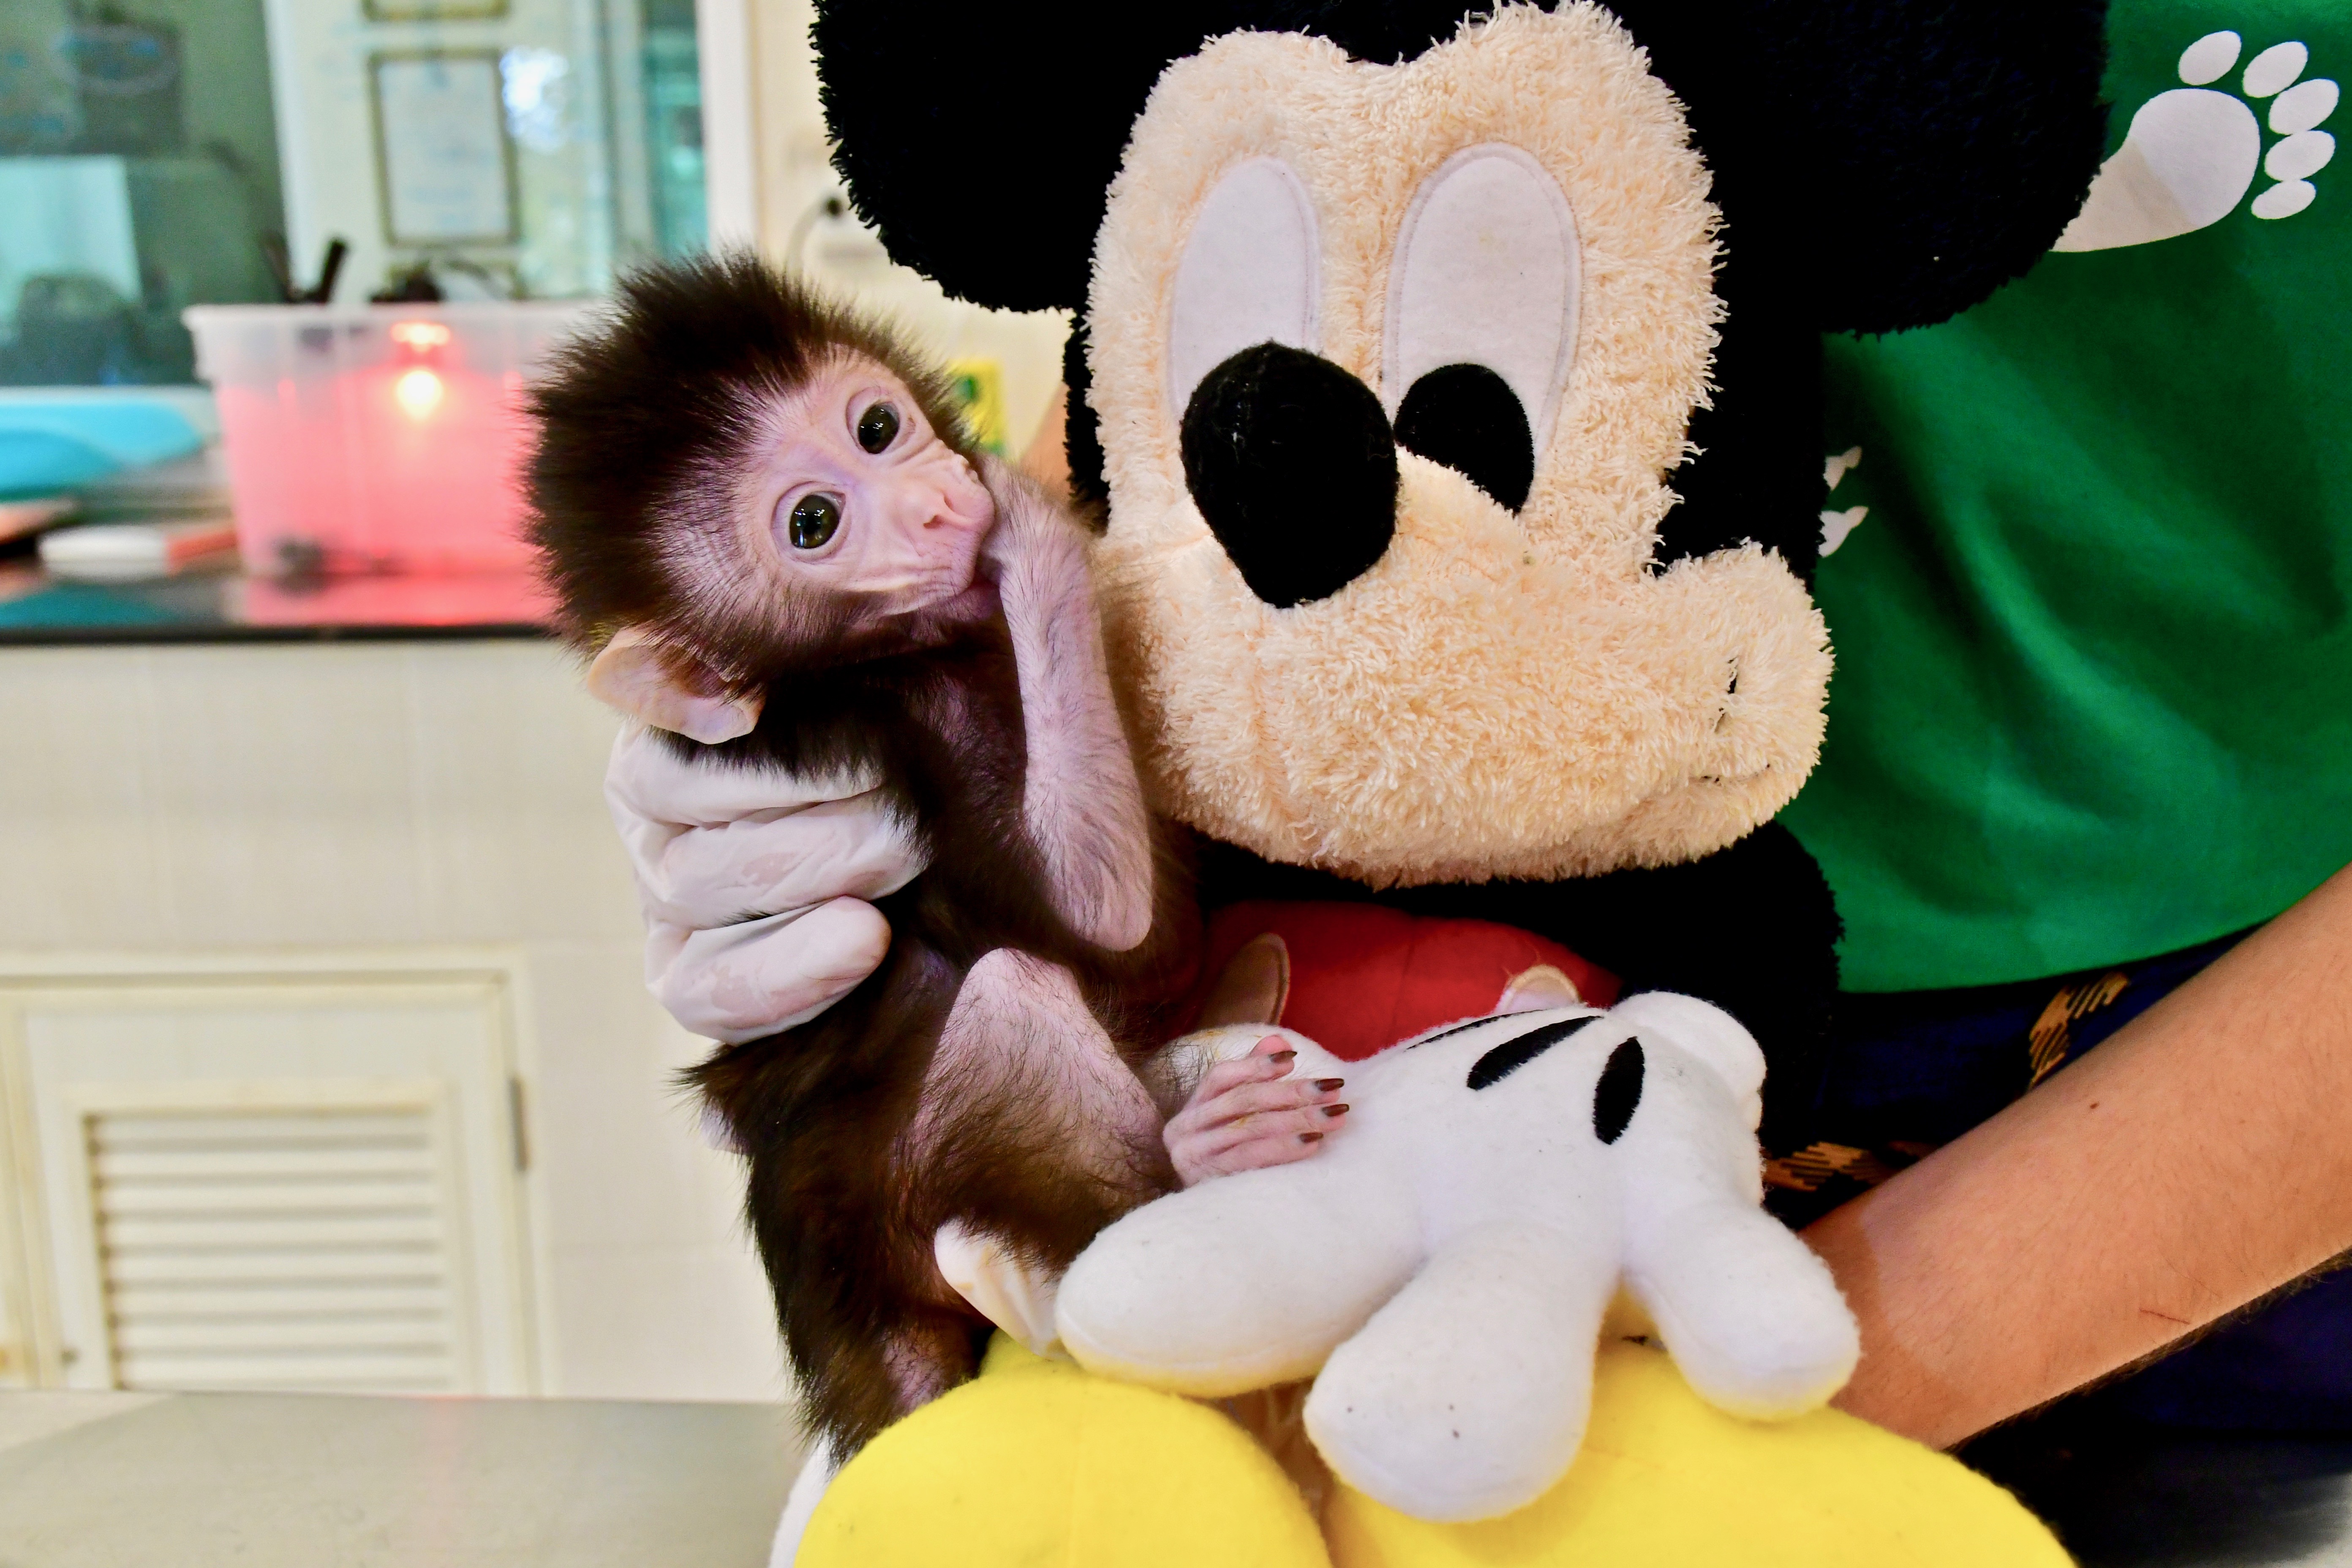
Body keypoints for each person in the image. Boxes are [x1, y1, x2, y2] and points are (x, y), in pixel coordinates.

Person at [608, 9, 2352, 1452]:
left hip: (2201, 1096)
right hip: (1303, 1016)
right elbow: (1264, 175)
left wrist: (1749, 1421)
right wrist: (930, 675)